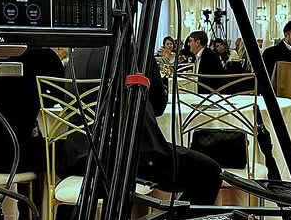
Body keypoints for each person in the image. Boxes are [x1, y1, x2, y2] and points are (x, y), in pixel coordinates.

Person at [66, 47, 221, 208]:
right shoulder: (136, 48)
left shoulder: (76, 54)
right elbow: (158, 105)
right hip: (128, 157)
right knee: (209, 172)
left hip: (79, 157)